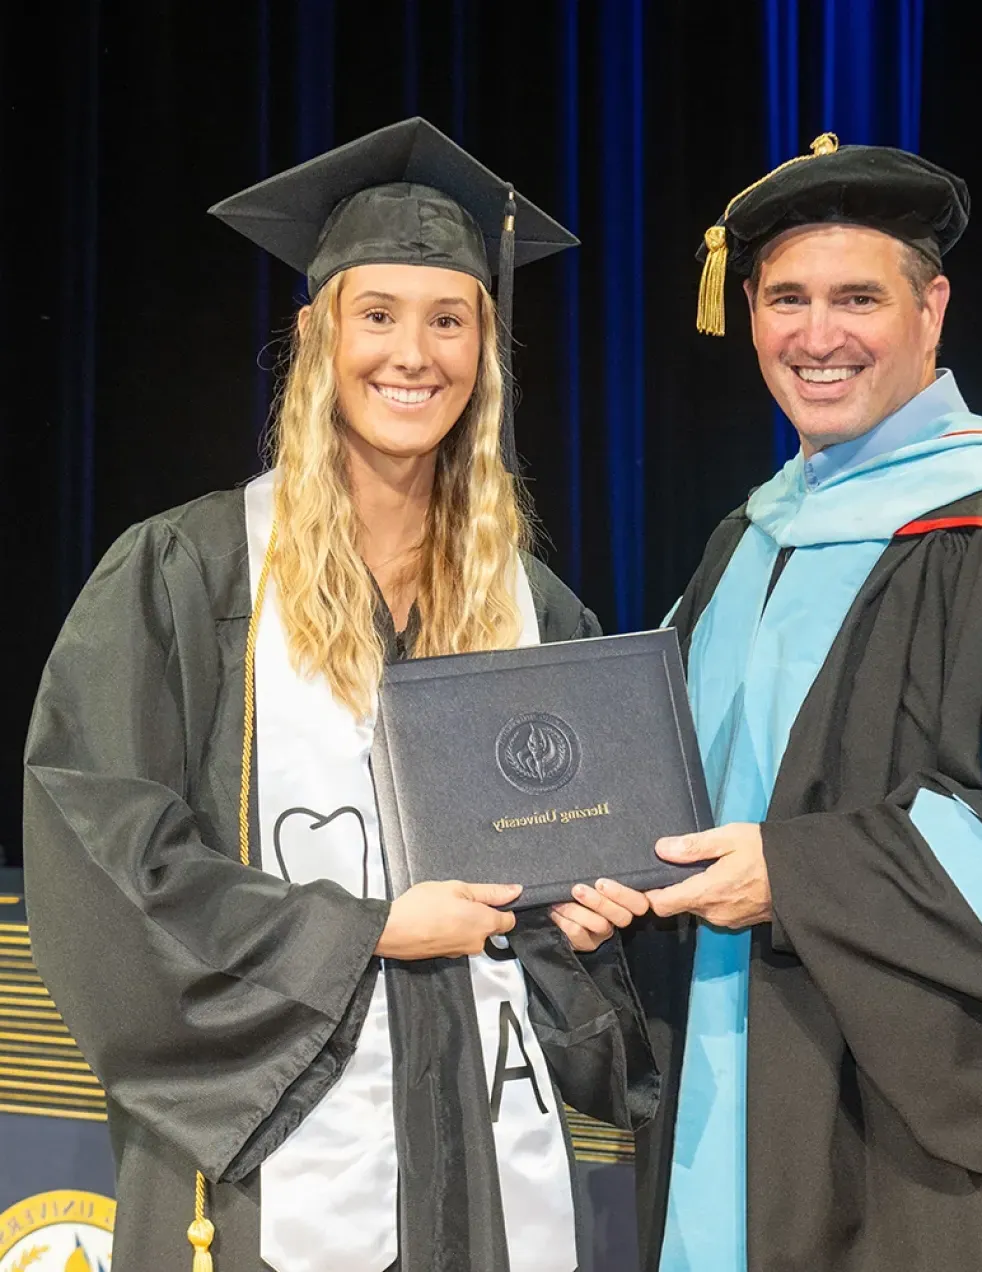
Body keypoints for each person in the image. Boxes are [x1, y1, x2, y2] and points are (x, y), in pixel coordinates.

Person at [23, 118, 655, 1272]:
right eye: (378, 316)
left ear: (485, 350)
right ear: (316, 336)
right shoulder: (187, 574)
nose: (413, 355)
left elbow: (580, 947)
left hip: (477, 1143)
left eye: (448, 320)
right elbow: (105, 858)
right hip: (264, 1159)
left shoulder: (537, 611)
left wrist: (586, 920)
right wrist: (365, 933)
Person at [626, 134, 982, 1272]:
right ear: (747, 314)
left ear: (931, 311)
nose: (816, 336)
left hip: (927, 1180)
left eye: (856, 298)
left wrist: (800, 874)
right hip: (725, 1117)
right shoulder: (745, 542)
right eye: (786, 297)